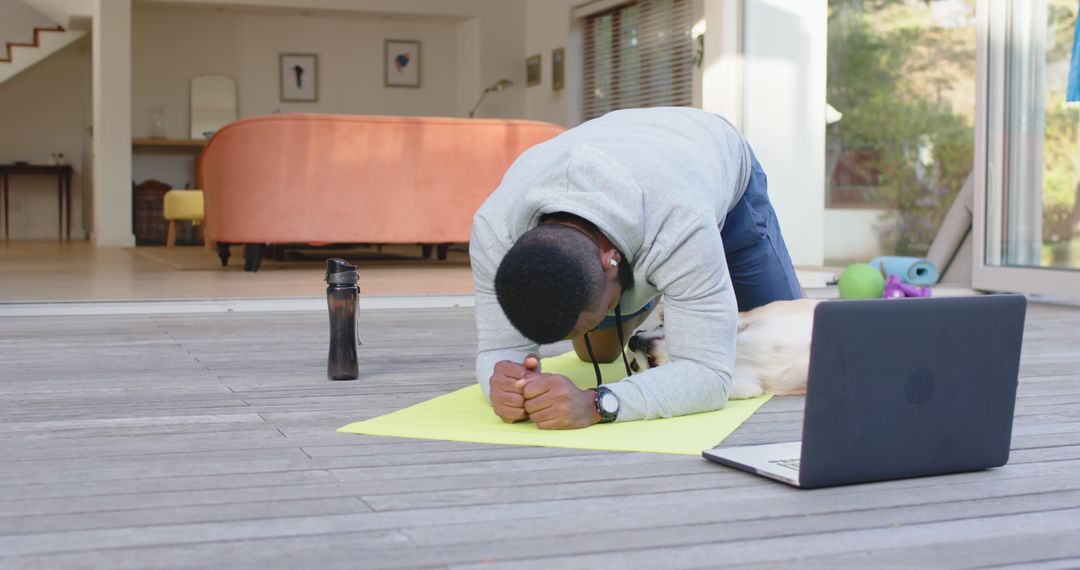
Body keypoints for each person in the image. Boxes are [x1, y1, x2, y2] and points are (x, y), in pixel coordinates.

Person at [470, 107, 802, 430]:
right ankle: (680, 290)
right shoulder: (494, 233)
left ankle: (681, 286)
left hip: (713, 164)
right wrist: (502, 382)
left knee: (794, 348)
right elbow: (500, 349)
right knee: (596, 355)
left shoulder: (679, 223)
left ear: (611, 262)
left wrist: (597, 405)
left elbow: (709, 373)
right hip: (639, 192)